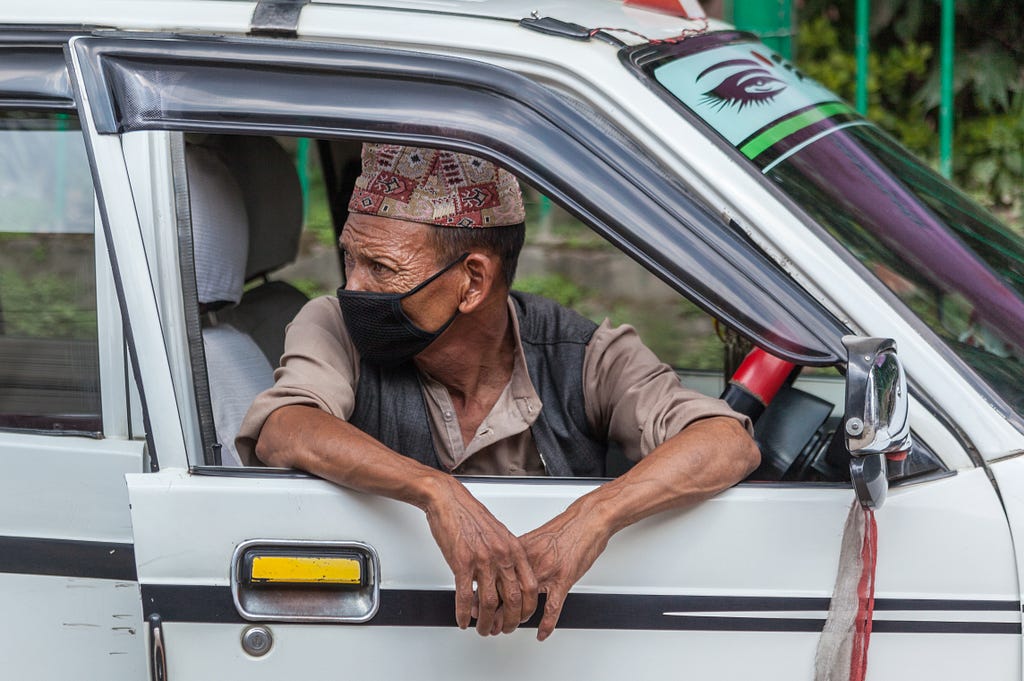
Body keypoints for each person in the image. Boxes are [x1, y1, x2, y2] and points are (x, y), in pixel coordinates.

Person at [236, 143, 760, 641]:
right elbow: (287, 427)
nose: (353, 286)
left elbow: (725, 441)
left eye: (380, 268)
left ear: (473, 282)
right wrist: (435, 491)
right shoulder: (333, 326)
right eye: (350, 259)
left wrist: (594, 517)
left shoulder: (581, 354)